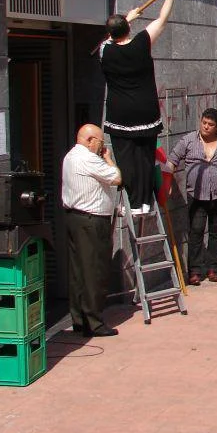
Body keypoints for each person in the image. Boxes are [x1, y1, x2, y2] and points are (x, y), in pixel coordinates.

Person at [99, 0, 181, 210]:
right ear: (128, 29)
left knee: (125, 157)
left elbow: (108, 39)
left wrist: (128, 18)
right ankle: (145, 201)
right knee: (145, 156)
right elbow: (162, 19)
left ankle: (133, 201)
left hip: (120, 113)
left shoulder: (105, 51)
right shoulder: (142, 43)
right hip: (146, 110)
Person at [61, 124, 122, 337]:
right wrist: (108, 158)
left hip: (75, 218)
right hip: (91, 220)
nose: (101, 147)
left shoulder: (70, 156)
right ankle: (93, 322)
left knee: (79, 270)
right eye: (100, 142)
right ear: (90, 140)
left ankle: (79, 318)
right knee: (94, 269)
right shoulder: (88, 158)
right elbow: (116, 177)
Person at [166, 108, 217, 286]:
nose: (206, 127)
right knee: (196, 232)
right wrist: (167, 182)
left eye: (210, 124)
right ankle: (195, 272)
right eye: (204, 122)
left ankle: (213, 268)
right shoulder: (188, 140)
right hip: (196, 196)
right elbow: (172, 161)